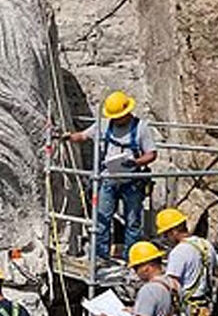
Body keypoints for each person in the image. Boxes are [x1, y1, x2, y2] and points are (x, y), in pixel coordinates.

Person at [63, 91, 158, 263]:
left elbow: (151, 154)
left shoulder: (141, 128)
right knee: (101, 220)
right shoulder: (104, 125)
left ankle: (132, 259)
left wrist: (135, 162)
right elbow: (83, 136)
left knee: (133, 223)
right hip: (108, 180)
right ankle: (100, 258)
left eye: (120, 116)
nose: (117, 120)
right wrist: (68, 137)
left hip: (132, 181)